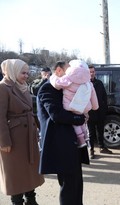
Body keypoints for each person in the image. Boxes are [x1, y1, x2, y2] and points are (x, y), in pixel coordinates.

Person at [37, 61, 89, 205]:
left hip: (72, 143)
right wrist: (78, 118)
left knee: (76, 182)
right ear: (59, 70)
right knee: (68, 185)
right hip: (60, 143)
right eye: (69, 70)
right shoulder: (47, 88)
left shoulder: (64, 87)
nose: (72, 74)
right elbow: (56, 115)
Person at [0, 59, 44, 205]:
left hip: (28, 136)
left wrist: (37, 129)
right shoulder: (3, 87)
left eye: (27, 72)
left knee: (29, 170)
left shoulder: (23, 86)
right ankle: (17, 201)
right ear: (13, 71)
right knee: (15, 172)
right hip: (14, 138)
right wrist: (4, 141)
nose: (26, 76)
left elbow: (30, 111)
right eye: (23, 72)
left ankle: (31, 200)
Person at [49, 60, 99, 148]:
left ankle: (81, 139)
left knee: (77, 124)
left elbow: (57, 83)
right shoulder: (88, 83)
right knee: (81, 123)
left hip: (71, 107)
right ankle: (85, 137)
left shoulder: (68, 80)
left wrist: (52, 77)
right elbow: (94, 98)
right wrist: (95, 107)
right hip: (83, 109)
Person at [87, 64, 112, 159]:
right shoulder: (85, 84)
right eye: (90, 72)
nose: (92, 74)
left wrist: (105, 109)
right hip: (90, 112)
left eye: (93, 72)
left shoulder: (99, 83)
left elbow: (104, 97)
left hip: (100, 112)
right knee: (91, 132)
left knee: (101, 130)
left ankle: (102, 147)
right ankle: (91, 150)